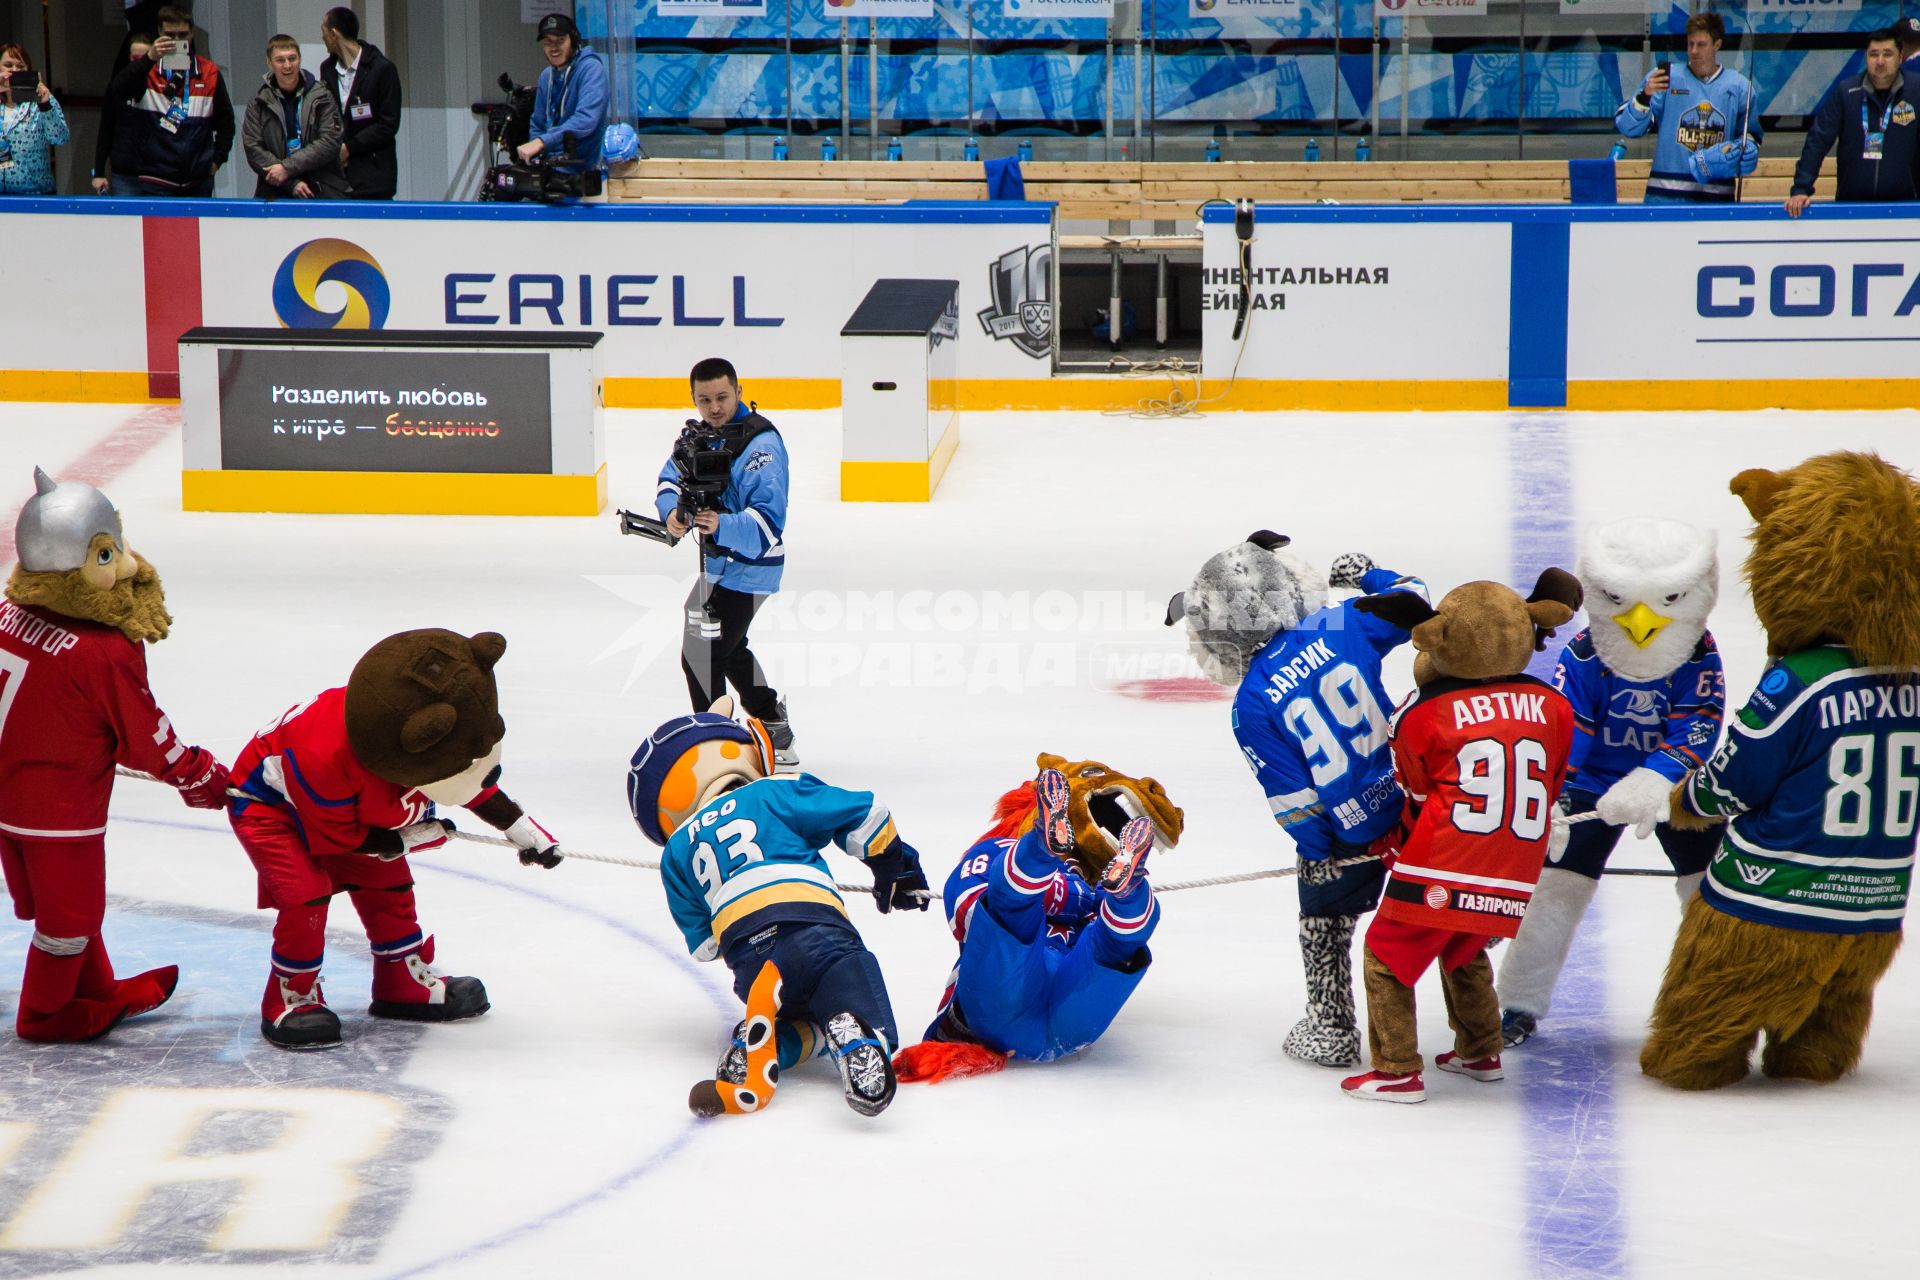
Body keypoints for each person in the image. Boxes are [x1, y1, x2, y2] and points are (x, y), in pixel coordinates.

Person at [226, 629, 563, 1049]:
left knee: (388, 883)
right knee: (307, 893)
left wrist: (520, 828)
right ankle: (291, 995)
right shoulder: (323, 757)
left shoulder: (408, 730)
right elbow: (341, 838)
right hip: (274, 807)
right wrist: (408, 840)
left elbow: (465, 773)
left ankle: (400, 979)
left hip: (350, 805)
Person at [1169, 534, 1426, 1068]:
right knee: (1434, 910)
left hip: (1348, 831)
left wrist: (1325, 853)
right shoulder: (1339, 621)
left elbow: (1296, 805)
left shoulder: (1251, 704)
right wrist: (1369, 574)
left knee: (1323, 928)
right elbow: (1416, 599)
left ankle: (1331, 1027)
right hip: (1414, 804)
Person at [0, 469, 229, 1042]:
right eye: (108, 551)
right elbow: (146, 738)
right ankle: (45, 1015)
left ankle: (96, 992)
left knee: (70, 909)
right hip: (56, 811)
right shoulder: (101, 650)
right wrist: (200, 774)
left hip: (10, 799)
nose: (126, 563)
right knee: (69, 918)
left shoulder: (6, 616)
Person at [1336, 573, 1579, 1103]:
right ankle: (1479, 1051)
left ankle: (1397, 1071)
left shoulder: (1421, 714)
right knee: (1463, 943)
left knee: (1385, 953)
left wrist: (1395, 846)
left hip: (1444, 860)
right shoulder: (1555, 706)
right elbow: (1555, 777)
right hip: (1517, 862)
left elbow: (1418, 796)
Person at [625, 702, 930, 1117]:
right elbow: (865, 815)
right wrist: (896, 867)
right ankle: (856, 1035)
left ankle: (766, 1046)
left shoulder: (675, 851)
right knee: (859, 1000)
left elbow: (705, 947)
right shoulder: (772, 791)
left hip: (749, 963)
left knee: (795, 1015)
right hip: (815, 929)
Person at [1497, 518, 1724, 1047]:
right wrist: (1552, 796)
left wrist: (1655, 778)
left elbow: (1699, 720)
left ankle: (1719, 997)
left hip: (1674, 785)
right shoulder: (1584, 654)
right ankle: (1517, 1002)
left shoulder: (1697, 651)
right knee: (1553, 891)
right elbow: (1566, 725)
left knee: (1712, 891)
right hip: (1591, 786)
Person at [655, 357, 797, 765]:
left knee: (702, 656)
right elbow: (670, 479)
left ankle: (714, 747)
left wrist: (720, 523)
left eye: (721, 397)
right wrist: (673, 513)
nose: (714, 407)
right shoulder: (700, 436)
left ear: (738, 391)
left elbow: (769, 524)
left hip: (752, 568)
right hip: (717, 566)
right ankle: (773, 725)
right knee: (729, 649)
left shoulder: (761, 448)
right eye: (704, 400)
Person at [1615, 13, 1760, 203]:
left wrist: (1747, 149)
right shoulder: (1666, 79)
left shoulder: (1740, 87)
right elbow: (1627, 128)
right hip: (1664, 199)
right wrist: (1645, 96)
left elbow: (1750, 135)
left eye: (1701, 44)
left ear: (1717, 44)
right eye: (1690, 44)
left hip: (1716, 201)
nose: (1693, 51)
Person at [101, 5, 233, 197]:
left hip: (198, 181)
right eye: (170, 35)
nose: (177, 41)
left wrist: (216, 161)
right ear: (159, 34)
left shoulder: (209, 72)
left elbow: (227, 122)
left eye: (183, 34)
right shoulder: (146, 69)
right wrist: (149, 58)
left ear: (192, 34)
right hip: (155, 180)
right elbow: (117, 89)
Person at [1785, 29, 1918, 217]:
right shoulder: (1846, 92)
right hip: (1851, 209)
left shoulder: (1916, 90)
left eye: (1887, 54)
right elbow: (1818, 140)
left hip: (1908, 209)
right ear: (1866, 57)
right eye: (1874, 54)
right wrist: (1801, 189)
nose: (1880, 61)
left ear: (1900, 56)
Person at [241, 34, 345, 200]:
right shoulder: (258, 102)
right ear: (269, 63)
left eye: (292, 58)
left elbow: (331, 141)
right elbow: (253, 148)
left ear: (300, 60)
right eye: (280, 60)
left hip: (322, 189)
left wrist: (287, 168)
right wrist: (290, 182)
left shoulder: (322, 95)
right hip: (274, 190)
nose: (287, 65)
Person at [319, 6, 402, 201]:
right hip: (338, 179)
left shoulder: (382, 69)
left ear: (333, 34)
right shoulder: (327, 69)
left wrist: (349, 148)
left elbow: (388, 124)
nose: (322, 37)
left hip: (374, 176)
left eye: (323, 31)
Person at [519, 12, 607, 174]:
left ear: (573, 41)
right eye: (548, 42)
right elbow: (538, 124)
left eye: (560, 40)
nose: (553, 48)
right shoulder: (547, 76)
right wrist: (537, 157)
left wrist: (542, 142)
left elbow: (586, 119)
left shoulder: (591, 69)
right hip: (550, 169)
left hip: (584, 171)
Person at [0, 44, 67, 196]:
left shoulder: (41, 100)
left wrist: (44, 105)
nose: (14, 71)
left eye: (20, 67)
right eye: (8, 65)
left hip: (35, 194)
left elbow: (60, 138)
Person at [92, 33, 150, 194]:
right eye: (135, 58)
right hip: (124, 174)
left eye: (144, 58)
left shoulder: (161, 88)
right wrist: (99, 172)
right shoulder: (117, 87)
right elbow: (105, 130)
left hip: (156, 175)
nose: (139, 64)